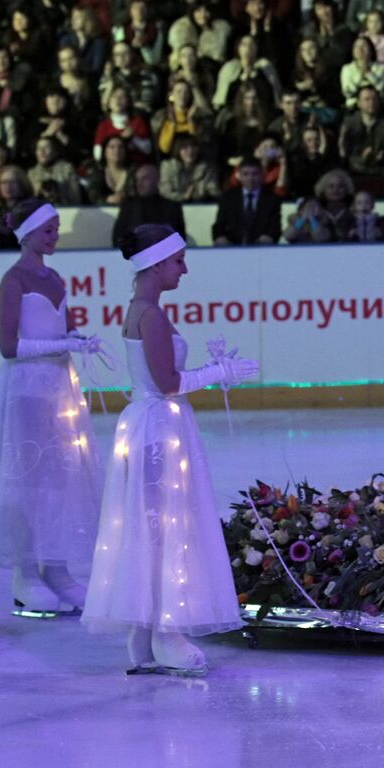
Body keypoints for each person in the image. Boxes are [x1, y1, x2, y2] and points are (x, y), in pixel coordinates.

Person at [82, 224, 259, 677]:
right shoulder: (151, 315)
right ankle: (165, 630)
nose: (184, 268)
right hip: (159, 426)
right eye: (178, 260)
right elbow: (168, 383)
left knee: (152, 527)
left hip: (153, 425)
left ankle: (143, 634)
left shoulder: (140, 309)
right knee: (166, 527)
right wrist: (221, 371)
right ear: (156, 263)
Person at [0, 200, 103, 617]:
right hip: (26, 390)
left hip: (60, 390)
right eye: (48, 230)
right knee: (29, 480)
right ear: (27, 235)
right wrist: (63, 344)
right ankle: (26, 574)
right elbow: (8, 346)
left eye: (57, 228)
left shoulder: (55, 278)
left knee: (60, 480)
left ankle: (56, 568)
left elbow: (64, 327)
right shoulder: (13, 280)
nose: (55, 235)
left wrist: (79, 339)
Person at [212, 158, 282, 245]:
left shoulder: (272, 198)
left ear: (262, 175)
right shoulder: (228, 197)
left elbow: (275, 227)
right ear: (240, 176)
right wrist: (219, 237)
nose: (250, 178)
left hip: (262, 248)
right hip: (233, 247)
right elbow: (219, 224)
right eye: (246, 174)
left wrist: (270, 237)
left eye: (255, 174)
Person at [112, 164, 186, 245]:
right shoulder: (128, 207)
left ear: (156, 180)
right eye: (137, 179)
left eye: (144, 179)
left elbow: (179, 241)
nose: (139, 183)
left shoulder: (172, 208)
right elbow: (117, 239)